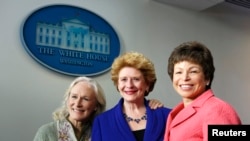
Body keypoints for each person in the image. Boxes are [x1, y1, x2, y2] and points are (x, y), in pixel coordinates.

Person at [33, 76, 164, 141]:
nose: (77, 103)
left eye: (85, 99)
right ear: (67, 99)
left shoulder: (103, 129)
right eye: (73, 97)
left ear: (96, 105)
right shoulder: (47, 132)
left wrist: (149, 106)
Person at [163, 41, 241, 141]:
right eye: (179, 72)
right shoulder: (176, 112)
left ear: (207, 78)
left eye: (193, 71)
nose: (184, 77)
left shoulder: (218, 110)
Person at [91, 51, 171, 141]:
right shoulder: (102, 122)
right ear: (117, 84)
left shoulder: (167, 116)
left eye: (136, 79)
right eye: (124, 79)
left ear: (147, 84)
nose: (129, 85)